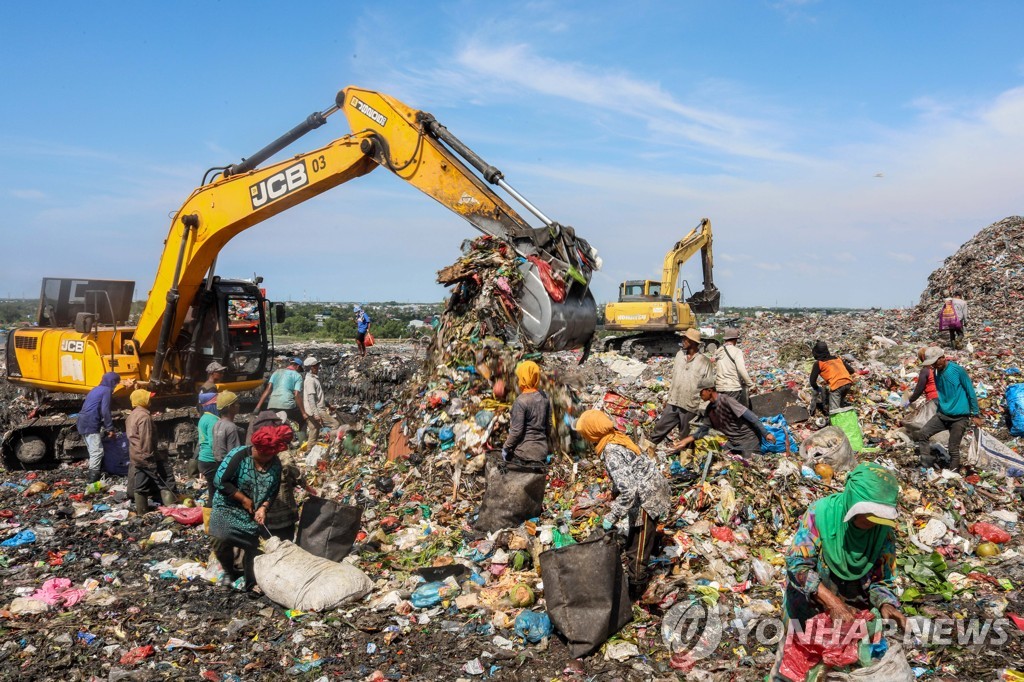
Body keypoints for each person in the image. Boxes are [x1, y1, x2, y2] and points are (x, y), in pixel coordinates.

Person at [771, 463, 907, 681]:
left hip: (851, 616)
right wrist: (832, 602)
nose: (873, 522)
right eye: (868, 514)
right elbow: (798, 565)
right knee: (799, 668)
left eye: (879, 517)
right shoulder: (820, 515)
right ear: (853, 503)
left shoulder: (883, 534)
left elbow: (882, 580)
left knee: (843, 668)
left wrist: (886, 603)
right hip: (809, 608)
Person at [575, 409, 671, 597]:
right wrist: (614, 491)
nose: (585, 438)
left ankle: (637, 591)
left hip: (647, 497)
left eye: (585, 433)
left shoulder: (611, 451)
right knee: (636, 539)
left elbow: (630, 490)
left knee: (637, 549)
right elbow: (630, 470)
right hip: (650, 489)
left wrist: (612, 517)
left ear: (593, 432)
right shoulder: (615, 437)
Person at [209, 422, 290, 591]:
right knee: (220, 537)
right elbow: (220, 481)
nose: (254, 451)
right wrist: (243, 499)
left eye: (259, 452)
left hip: (252, 511)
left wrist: (263, 508)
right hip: (228, 506)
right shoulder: (238, 455)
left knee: (253, 545)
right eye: (254, 448)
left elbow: (273, 490)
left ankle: (251, 582)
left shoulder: (275, 465)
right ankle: (228, 572)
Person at [913, 346, 982, 471]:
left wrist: (975, 414)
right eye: (931, 364)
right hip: (943, 414)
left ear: (943, 358)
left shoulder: (957, 371)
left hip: (959, 418)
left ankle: (953, 473)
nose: (933, 366)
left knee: (953, 449)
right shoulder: (935, 372)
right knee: (923, 434)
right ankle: (925, 465)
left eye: (935, 362)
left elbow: (970, 391)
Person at [674, 376, 775, 455]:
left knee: (748, 468)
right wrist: (686, 440)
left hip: (748, 441)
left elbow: (752, 417)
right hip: (733, 443)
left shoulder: (727, 400)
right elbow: (704, 430)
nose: (700, 395)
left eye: (701, 392)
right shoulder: (709, 409)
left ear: (709, 390)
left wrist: (766, 434)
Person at [649, 328, 713, 449]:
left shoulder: (704, 362)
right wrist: (668, 397)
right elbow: (674, 378)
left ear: (693, 342)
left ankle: (684, 462)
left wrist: (702, 407)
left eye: (686, 339)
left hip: (690, 405)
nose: (682, 340)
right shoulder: (679, 355)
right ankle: (647, 450)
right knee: (659, 429)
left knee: (685, 436)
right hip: (674, 402)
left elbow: (708, 387)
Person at [126, 389, 176, 515]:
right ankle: (172, 511)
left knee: (141, 484)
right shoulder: (144, 416)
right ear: (142, 400)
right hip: (146, 455)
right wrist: (150, 459)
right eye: (148, 398)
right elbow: (146, 439)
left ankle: (141, 513)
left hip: (136, 456)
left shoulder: (131, 416)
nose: (150, 400)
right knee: (166, 479)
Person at [501, 360, 551, 464]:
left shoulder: (521, 401)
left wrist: (505, 447)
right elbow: (548, 427)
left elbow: (516, 432)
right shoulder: (545, 397)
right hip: (542, 452)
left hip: (524, 453)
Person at [265, 447, 318, 541]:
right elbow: (296, 475)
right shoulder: (284, 456)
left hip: (267, 515)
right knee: (286, 541)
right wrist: (308, 488)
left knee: (272, 542)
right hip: (285, 512)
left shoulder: (257, 457)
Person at [76, 372, 120, 483]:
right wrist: (110, 428)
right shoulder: (106, 390)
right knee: (97, 452)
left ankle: (95, 473)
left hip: (82, 421)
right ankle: (92, 480)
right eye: (115, 383)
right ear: (112, 382)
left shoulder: (95, 389)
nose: (115, 386)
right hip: (91, 422)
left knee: (92, 450)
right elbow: (105, 410)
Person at [254, 357, 307, 427]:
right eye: (299, 370)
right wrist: (303, 413)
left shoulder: (276, 372)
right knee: (302, 420)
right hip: (287, 405)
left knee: (274, 424)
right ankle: (302, 438)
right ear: (297, 366)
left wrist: (257, 407)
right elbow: (296, 394)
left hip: (272, 405)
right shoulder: (297, 376)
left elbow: (268, 390)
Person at [809, 341, 854, 416]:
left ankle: (836, 426)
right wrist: (840, 376)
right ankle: (844, 422)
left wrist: (818, 389)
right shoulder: (837, 359)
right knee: (840, 405)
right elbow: (851, 370)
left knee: (834, 412)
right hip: (848, 382)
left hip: (837, 385)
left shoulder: (819, 363)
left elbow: (812, 382)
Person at [302, 356, 340, 440]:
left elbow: (317, 396)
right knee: (335, 424)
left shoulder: (313, 379)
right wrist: (316, 415)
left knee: (314, 429)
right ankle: (332, 444)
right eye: (315, 366)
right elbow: (311, 398)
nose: (317, 367)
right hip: (317, 410)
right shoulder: (310, 381)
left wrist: (328, 405)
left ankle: (309, 451)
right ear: (311, 368)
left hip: (311, 410)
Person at [714, 327, 753, 407]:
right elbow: (741, 369)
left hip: (719, 387)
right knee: (732, 414)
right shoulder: (736, 351)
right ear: (735, 340)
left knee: (723, 412)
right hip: (732, 388)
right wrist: (751, 384)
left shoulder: (719, 351)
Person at [195, 391, 221, 507]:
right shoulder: (213, 420)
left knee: (212, 490)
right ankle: (211, 518)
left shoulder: (204, 417)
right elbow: (213, 443)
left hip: (203, 459)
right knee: (215, 493)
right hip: (211, 459)